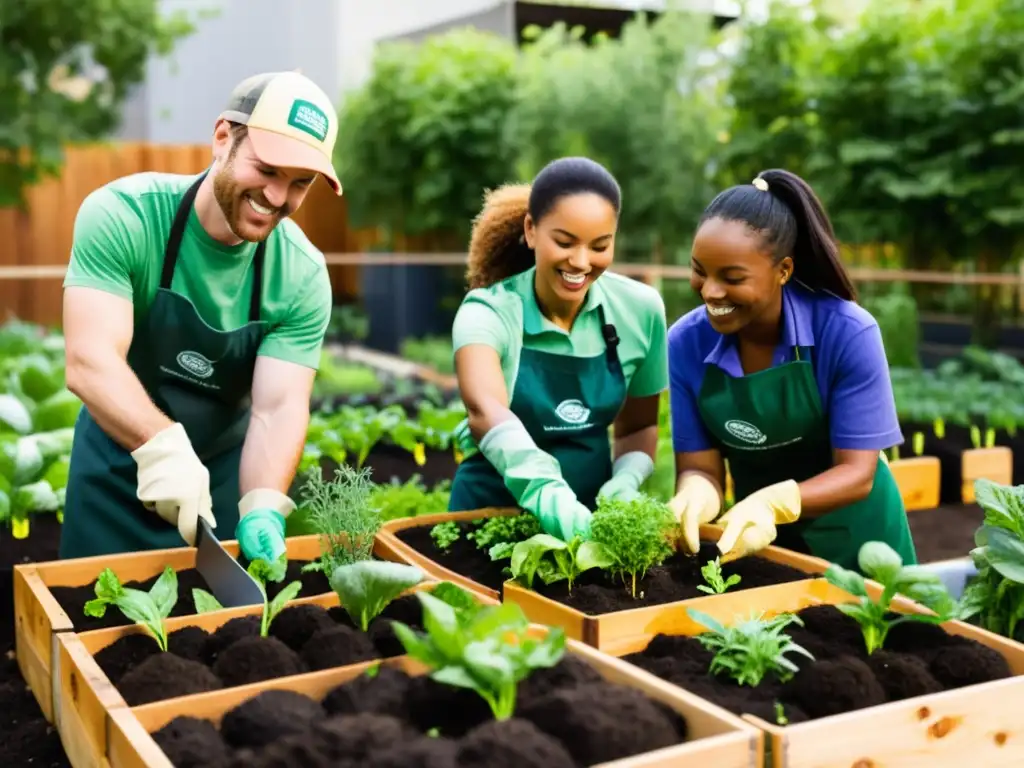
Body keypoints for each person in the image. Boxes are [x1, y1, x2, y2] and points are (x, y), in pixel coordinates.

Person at [59, 71, 339, 562]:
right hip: (112, 476)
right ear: (222, 137)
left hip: (220, 488)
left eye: (300, 183)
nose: (277, 197)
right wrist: (162, 446)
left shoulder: (301, 275)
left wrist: (262, 505)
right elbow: (90, 360)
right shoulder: (126, 217)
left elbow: (277, 408)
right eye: (268, 169)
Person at [666, 169, 916, 572]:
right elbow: (699, 466)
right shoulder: (686, 343)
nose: (710, 291)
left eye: (732, 277)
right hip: (761, 543)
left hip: (862, 544)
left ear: (783, 270)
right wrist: (695, 494)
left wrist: (772, 503)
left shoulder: (847, 332)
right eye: (700, 271)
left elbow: (857, 472)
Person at [448, 157, 669, 540]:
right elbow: (485, 412)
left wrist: (628, 478)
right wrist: (552, 498)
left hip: (591, 525)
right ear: (531, 230)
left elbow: (640, 426)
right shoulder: (488, 312)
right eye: (564, 243)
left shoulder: (641, 310)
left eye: (600, 245)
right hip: (488, 521)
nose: (581, 262)